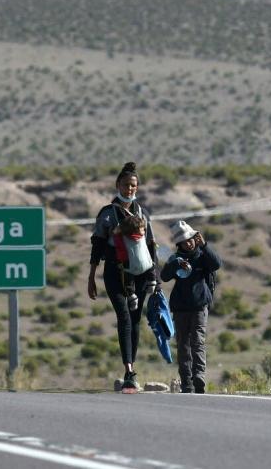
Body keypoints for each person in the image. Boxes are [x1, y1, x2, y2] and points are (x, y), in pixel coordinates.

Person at [88, 162, 160, 390]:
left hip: (139, 274)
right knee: (124, 318)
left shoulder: (143, 213)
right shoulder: (108, 214)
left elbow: (151, 247)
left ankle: (132, 367)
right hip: (114, 273)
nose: (130, 188)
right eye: (126, 184)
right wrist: (91, 276)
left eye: (134, 185)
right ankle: (129, 370)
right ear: (118, 184)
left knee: (136, 319)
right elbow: (97, 245)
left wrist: (154, 277)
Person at [160, 220, 221, 394]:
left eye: (191, 239)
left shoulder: (203, 255)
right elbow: (164, 276)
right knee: (183, 345)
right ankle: (187, 381)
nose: (189, 243)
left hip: (200, 305)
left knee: (198, 341)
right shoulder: (175, 258)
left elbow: (217, 264)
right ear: (179, 244)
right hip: (180, 307)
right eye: (185, 241)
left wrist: (205, 246)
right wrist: (175, 265)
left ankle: (199, 376)